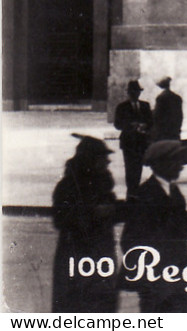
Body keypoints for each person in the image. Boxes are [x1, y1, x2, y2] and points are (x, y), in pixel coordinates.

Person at [51, 134, 120, 312]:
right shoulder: (68, 186)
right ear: (90, 160)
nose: (107, 162)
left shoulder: (103, 184)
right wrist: (94, 213)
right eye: (102, 157)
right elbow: (60, 219)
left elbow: (114, 211)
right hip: (77, 257)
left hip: (102, 257)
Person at [121, 138, 187, 313]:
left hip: (177, 278)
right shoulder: (145, 194)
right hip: (156, 284)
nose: (181, 166)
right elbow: (130, 240)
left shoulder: (174, 192)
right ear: (161, 163)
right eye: (176, 161)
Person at [113, 79, 152, 201]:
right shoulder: (122, 107)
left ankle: (134, 192)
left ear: (139, 93)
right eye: (132, 92)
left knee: (138, 168)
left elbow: (151, 121)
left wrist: (145, 126)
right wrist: (131, 125)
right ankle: (131, 193)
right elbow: (117, 124)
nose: (135, 94)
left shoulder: (145, 106)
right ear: (128, 93)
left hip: (141, 142)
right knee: (130, 168)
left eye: (137, 92)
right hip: (128, 142)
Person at [152, 76, 183, 142]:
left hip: (164, 134)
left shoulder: (161, 98)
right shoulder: (177, 98)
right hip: (175, 133)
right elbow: (180, 116)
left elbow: (157, 116)